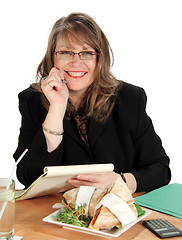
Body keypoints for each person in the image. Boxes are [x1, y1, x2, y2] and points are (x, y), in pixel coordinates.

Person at [13, 12, 171, 193]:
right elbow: (28, 176)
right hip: (57, 213)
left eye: (87, 53)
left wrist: (120, 181)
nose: (76, 62)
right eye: (66, 52)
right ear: (52, 58)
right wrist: (57, 108)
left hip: (115, 211)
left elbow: (160, 170)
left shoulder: (130, 98)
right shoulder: (32, 99)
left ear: (99, 59)